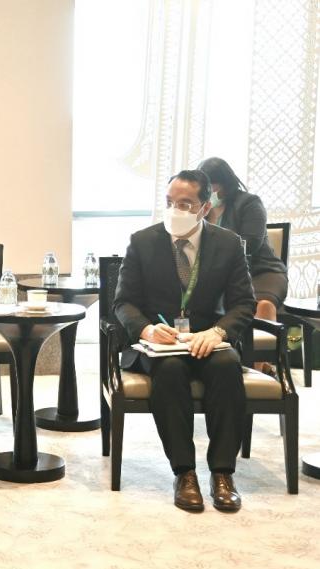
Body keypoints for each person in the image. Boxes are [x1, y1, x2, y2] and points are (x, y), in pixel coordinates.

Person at [113, 170, 256, 513]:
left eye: (185, 204)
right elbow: (123, 303)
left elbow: (244, 303)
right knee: (171, 370)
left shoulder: (228, 243)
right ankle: (184, 473)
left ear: (205, 207)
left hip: (207, 340)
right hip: (159, 344)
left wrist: (218, 332)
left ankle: (222, 474)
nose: (175, 210)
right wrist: (146, 329)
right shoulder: (142, 241)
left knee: (227, 366)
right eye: (169, 202)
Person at [197, 157, 288, 374]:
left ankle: (258, 368)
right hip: (221, 273)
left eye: (212, 186)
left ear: (225, 183)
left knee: (261, 304)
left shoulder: (248, 203)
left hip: (261, 270)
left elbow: (251, 243)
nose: (208, 191)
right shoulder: (201, 207)